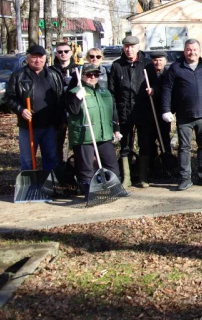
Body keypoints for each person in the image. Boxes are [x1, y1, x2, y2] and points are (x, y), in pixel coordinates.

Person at [160, 39, 202, 190]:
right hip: (184, 116)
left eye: (194, 49)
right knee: (184, 148)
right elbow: (167, 89)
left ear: (200, 51)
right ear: (184, 51)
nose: (192, 52)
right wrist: (166, 109)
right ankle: (185, 177)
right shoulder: (176, 68)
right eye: (189, 49)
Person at [5, 45, 65, 173]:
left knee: (51, 158)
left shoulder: (53, 75)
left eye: (41, 57)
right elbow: (9, 98)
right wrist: (21, 110)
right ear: (28, 58)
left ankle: (49, 187)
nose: (38, 60)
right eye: (34, 57)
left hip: (50, 127)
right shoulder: (18, 76)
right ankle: (30, 188)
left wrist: (61, 120)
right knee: (28, 160)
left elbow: (60, 99)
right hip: (28, 127)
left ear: (45, 58)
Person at [66, 63, 122, 198]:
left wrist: (116, 129)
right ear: (82, 76)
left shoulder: (105, 92)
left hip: (104, 135)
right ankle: (89, 193)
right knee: (86, 168)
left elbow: (112, 112)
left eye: (95, 75)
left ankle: (114, 188)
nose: (92, 77)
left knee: (112, 164)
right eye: (89, 75)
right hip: (84, 136)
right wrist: (78, 97)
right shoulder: (73, 92)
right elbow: (72, 110)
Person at [108, 36, 153, 188]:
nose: (129, 49)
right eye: (126, 46)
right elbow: (111, 92)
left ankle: (143, 177)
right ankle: (126, 178)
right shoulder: (116, 66)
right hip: (124, 111)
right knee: (125, 144)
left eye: (132, 46)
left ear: (138, 47)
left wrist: (153, 90)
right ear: (123, 47)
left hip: (143, 110)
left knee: (144, 143)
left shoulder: (146, 64)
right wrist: (115, 114)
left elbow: (156, 85)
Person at [51, 41, 78, 163]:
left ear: (71, 53)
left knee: (78, 144)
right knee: (57, 144)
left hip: (75, 112)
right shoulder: (50, 71)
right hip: (58, 113)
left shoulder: (78, 70)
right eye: (60, 52)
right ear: (56, 54)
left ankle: (79, 169)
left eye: (66, 51)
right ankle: (59, 170)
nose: (63, 54)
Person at [146, 51, 172, 163]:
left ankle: (167, 162)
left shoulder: (169, 74)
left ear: (165, 61)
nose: (158, 62)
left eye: (160, 60)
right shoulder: (147, 74)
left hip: (163, 112)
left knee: (164, 138)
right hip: (149, 112)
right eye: (155, 60)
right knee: (150, 139)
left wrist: (155, 90)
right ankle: (153, 163)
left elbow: (168, 89)